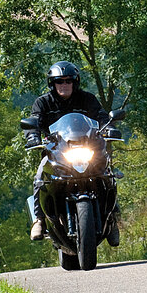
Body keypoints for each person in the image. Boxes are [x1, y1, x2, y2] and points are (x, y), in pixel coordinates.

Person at [27, 60, 112, 241]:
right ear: (52, 83)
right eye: (60, 81)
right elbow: (33, 122)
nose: (64, 85)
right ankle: (39, 220)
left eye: (68, 81)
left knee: (107, 172)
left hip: (87, 148)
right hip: (57, 151)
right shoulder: (43, 103)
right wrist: (33, 136)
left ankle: (112, 217)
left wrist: (109, 128)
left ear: (75, 82)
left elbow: (101, 116)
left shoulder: (87, 99)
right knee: (40, 177)